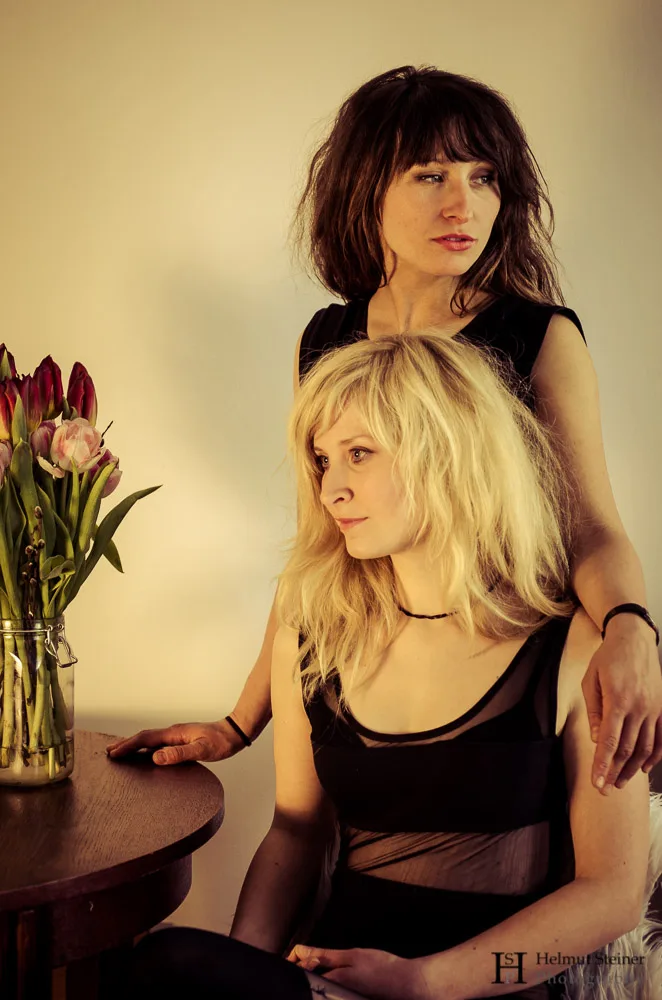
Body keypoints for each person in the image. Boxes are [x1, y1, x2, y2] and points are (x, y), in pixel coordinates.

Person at [107, 65, 662, 796]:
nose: (464, 203)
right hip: (379, 677)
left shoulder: (540, 336)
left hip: (517, 683)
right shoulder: (327, 339)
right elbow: (318, 545)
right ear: (366, 189)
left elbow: (588, 526)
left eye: (484, 177)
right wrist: (240, 722)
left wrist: (630, 629)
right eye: (431, 176)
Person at [127, 332, 652, 1000]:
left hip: (478, 989)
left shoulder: (570, 646)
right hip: (328, 983)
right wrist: (242, 976)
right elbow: (296, 829)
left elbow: (612, 894)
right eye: (321, 460)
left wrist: (424, 981)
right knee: (167, 967)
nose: (330, 488)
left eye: (359, 454)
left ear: (448, 451)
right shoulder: (314, 630)